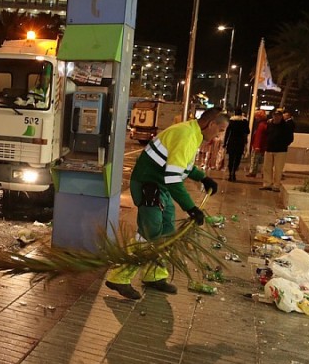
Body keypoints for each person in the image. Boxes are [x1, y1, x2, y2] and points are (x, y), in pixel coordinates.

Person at [105, 108, 227, 300]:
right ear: (211, 124)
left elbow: (183, 166)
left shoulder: (193, 133)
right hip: (148, 185)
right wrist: (191, 208)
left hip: (158, 185)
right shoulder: (186, 135)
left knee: (167, 229)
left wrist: (202, 178)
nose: (218, 135)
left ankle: (154, 275)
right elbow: (173, 179)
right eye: (219, 130)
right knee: (149, 232)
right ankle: (119, 277)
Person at [260, 110, 294, 192]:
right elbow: (266, 134)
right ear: (273, 116)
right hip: (269, 149)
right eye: (275, 115)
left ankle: (276, 185)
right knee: (267, 168)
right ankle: (267, 184)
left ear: (281, 116)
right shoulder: (270, 124)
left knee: (278, 169)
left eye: (278, 115)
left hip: (281, 150)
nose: (276, 117)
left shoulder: (286, 126)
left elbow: (290, 138)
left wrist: (283, 144)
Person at [223, 108, 250, 182]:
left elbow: (227, 133)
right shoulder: (244, 121)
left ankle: (230, 173)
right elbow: (248, 131)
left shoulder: (231, 121)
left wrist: (225, 143)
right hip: (240, 142)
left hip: (232, 141)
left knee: (231, 158)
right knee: (237, 158)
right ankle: (234, 172)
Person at [247, 110, 268, 177]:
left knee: (254, 159)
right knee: (262, 161)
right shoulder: (265, 124)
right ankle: (262, 173)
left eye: (256, 117)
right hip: (262, 146)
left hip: (257, 146)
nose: (256, 118)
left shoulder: (261, 125)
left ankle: (253, 172)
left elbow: (258, 136)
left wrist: (256, 146)